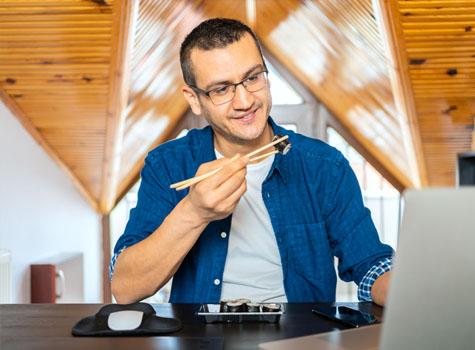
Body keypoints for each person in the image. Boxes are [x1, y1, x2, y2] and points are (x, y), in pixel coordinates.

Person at [110, 18, 393, 306]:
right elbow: (125, 287)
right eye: (221, 89)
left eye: (253, 78)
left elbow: (371, 266)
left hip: (300, 337)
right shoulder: (167, 165)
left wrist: (413, 292)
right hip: (201, 338)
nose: (245, 101)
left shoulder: (325, 166)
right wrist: (195, 212)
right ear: (194, 99)